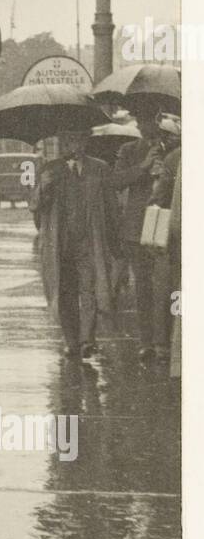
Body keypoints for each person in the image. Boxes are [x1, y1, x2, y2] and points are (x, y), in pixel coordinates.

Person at [31, 131, 120, 363]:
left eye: (79, 140)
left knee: (89, 289)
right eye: (70, 141)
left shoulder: (99, 168)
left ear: (85, 142)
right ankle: (71, 340)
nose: (75, 146)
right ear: (63, 144)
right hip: (61, 243)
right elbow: (36, 209)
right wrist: (44, 188)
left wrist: (114, 241)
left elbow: (111, 207)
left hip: (90, 240)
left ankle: (87, 340)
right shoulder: (50, 170)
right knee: (65, 291)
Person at [112, 105, 179, 364]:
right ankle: (147, 341)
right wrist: (144, 166)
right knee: (143, 287)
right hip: (138, 227)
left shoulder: (174, 149)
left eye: (148, 121)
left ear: (158, 120)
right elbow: (117, 182)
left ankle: (168, 339)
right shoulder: (129, 151)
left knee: (169, 285)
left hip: (168, 224)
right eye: (139, 122)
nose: (143, 127)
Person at [151, 122, 181, 378]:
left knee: (173, 291)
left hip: (178, 236)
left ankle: (168, 344)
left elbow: (158, 200)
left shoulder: (172, 160)